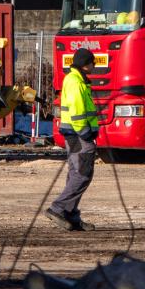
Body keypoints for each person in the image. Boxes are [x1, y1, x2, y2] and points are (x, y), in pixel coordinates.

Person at [46, 48, 102, 231]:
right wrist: (86, 132)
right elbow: (78, 112)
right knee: (82, 174)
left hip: (74, 134)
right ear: (86, 64)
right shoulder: (76, 82)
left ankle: (71, 215)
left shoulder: (75, 80)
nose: (94, 66)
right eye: (93, 63)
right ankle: (59, 208)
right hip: (79, 135)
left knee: (76, 173)